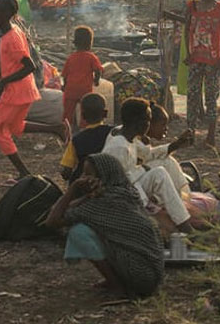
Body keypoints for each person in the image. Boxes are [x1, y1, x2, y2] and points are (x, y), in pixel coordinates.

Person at [43, 153, 164, 300]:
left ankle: (117, 286)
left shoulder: (102, 204)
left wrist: (72, 189)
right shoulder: (127, 192)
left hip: (139, 276)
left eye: (87, 174)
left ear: (102, 178)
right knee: (98, 232)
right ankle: (115, 280)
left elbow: (51, 221)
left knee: (78, 232)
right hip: (151, 275)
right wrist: (86, 196)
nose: (82, 178)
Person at [101, 98, 195, 232]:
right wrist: (148, 207)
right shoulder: (119, 147)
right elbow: (122, 183)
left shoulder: (129, 138)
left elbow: (147, 155)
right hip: (120, 198)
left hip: (132, 186)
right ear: (139, 123)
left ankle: (183, 219)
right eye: (148, 120)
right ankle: (185, 225)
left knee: (160, 172)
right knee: (158, 174)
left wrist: (176, 144)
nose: (149, 125)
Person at [0, 0, 44, 179]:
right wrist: (0, 76)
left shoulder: (11, 37)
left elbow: (29, 66)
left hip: (16, 91)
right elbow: (15, 64)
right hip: (23, 89)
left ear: (5, 13)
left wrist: (4, 81)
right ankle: (56, 128)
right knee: (14, 126)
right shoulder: (13, 31)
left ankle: (24, 173)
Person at [185, 0, 220, 145]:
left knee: (211, 98)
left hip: (213, 61)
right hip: (196, 59)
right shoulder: (192, 6)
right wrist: (189, 53)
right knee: (192, 97)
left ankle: (210, 136)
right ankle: (190, 132)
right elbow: (187, 29)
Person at [58, 92, 113, 181]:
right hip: (108, 180)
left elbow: (66, 172)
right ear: (105, 113)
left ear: (82, 115)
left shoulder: (77, 139)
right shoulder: (113, 133)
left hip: (84, 184)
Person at [61, 26, 103, 129]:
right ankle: (84, 128)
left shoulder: (71, 58)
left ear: (75, 43)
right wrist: (96, 81)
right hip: (85, 90)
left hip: (71, 89)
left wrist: (64, 87)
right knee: (86, 110)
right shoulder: (91, 57)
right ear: (90, 43)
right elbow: (98, 70)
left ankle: (65, 128)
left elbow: (65, 75)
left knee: (68, 111)